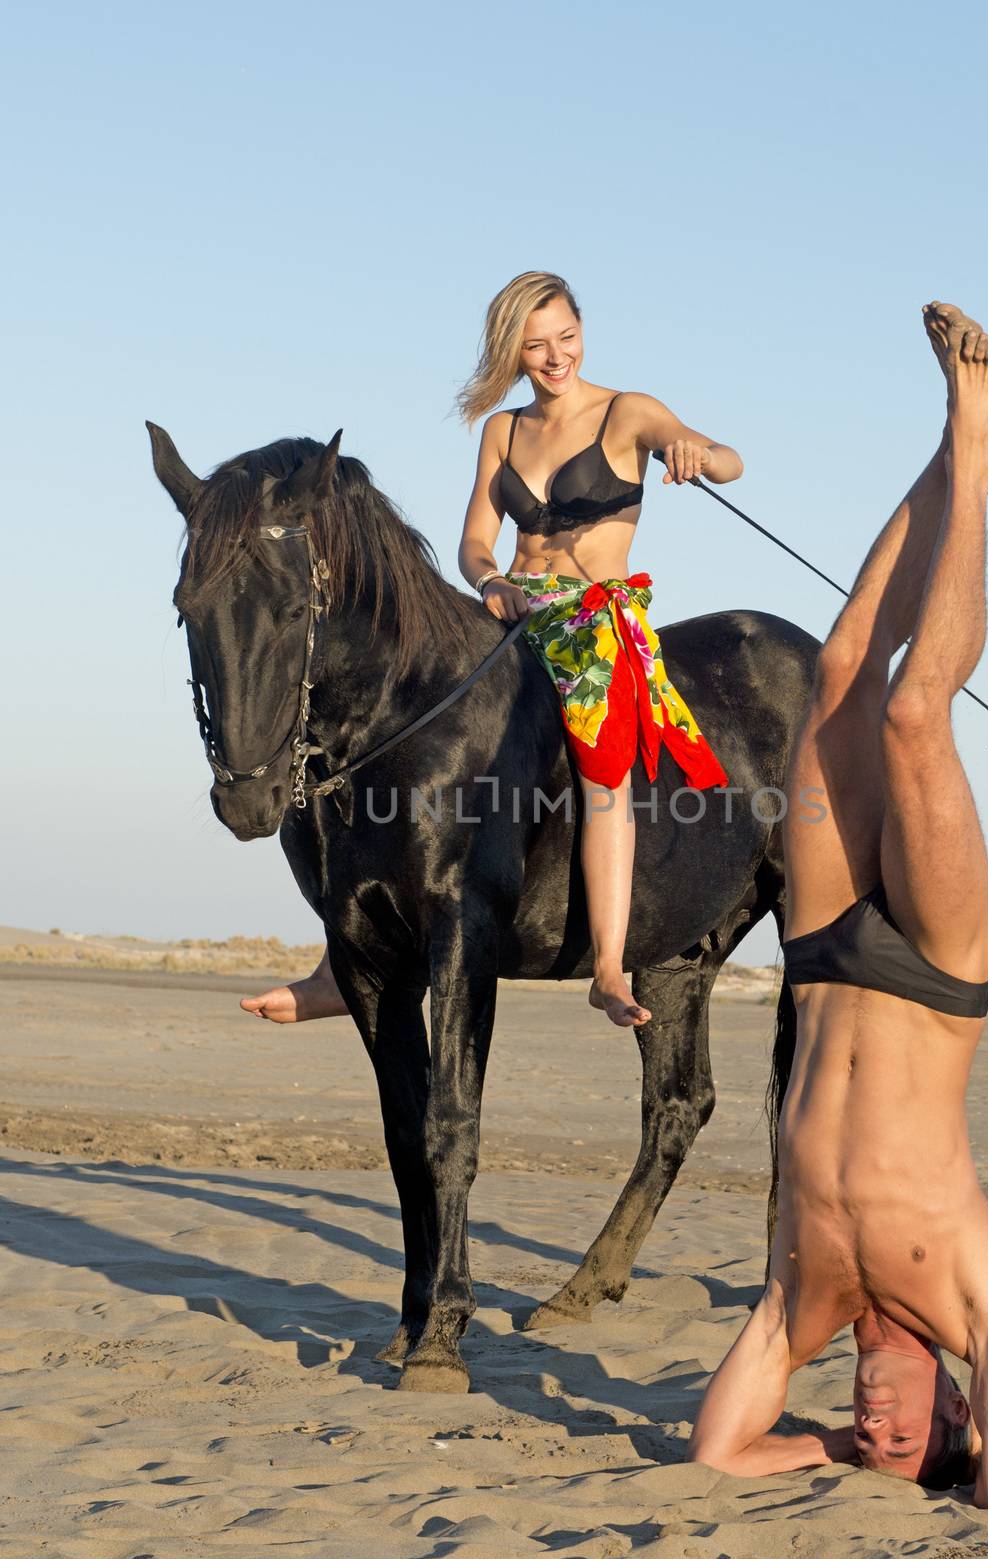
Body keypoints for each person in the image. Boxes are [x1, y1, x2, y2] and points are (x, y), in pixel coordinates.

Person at [686, 303, 988, 1507]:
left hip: (827, 954)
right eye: (905, 1439)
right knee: (913, 715)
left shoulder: (808, 1302)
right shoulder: (972, 1299)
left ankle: (937, 456)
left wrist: (829, 1458)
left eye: (862, 1437)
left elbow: (721, 1450)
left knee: (839, 677)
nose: (875, 1424)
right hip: (940, 977)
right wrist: (982, 1461)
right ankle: (975, 461)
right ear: (953, 1408)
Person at [243, 271, 739, 1028]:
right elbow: (477, 541)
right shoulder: (502, 432)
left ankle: (608, 966)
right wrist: (489, 584)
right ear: (513, 351)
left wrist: (695, 453)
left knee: (604, 770)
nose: (554, 356)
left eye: (565, 338)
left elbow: (726, 458)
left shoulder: (628, 411)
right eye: (535, 345)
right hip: (512, 606)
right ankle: (340, 967)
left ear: (583, 332)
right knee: (382, 725)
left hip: (593, 621)